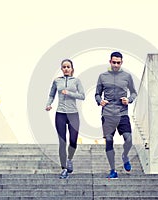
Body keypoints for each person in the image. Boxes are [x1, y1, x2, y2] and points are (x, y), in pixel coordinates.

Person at [95, 51, 137, 179]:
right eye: (114, 62)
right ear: (110, 62)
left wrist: (128, 100)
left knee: (128, 139)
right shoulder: (102, 76)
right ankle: (113, 170)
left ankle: (125, 156)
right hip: (107, 114)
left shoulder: (127, 76)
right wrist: (99, 101)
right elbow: (97, 94)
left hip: (122, 113)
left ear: (121, 63)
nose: (116, 65)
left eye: (118, 63)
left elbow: (134, 93)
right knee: (109, 140)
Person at [45, 59, 85, 179]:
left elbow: (82, 96)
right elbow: (51, 94)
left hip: (73, 114)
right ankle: (64, 168)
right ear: (61, 69)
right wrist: (48, 104)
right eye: (64, 67)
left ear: (72, 69)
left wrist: (69, 93)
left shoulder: (77, 81)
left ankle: (70, 159)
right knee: (62, 142)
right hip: (60, 114)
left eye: (68, 67)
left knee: (73, 141)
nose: (66, 69)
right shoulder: (57, 81)